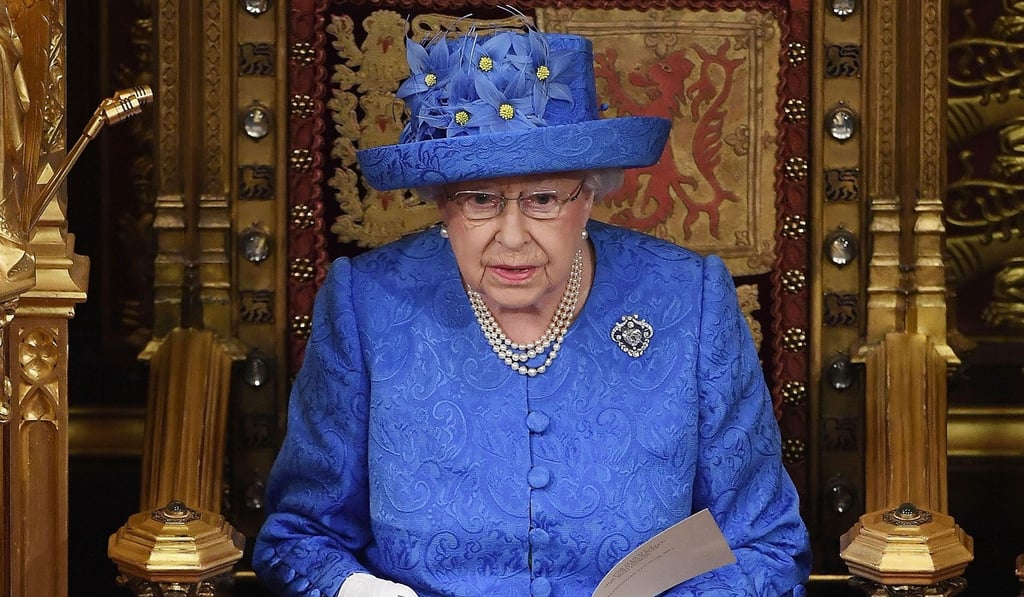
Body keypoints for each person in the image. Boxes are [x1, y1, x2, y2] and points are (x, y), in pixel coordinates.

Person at [254, 22, 811, 597]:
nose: (512, 236)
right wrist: (362, 592)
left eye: (543, 198)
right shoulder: (367, 304)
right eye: (479, 199)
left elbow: (765, 544)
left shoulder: (688, 299)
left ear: (590, 192)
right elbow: (299, 537)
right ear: (442, 202)